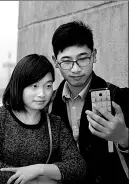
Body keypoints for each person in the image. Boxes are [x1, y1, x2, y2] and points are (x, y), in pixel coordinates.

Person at [0, 54, 86, 184]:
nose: (42, 94)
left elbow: (78, 167)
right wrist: (41, 181)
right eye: (34, 86)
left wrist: (39, 169)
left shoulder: (55, 124)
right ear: (19, 85)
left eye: (48, 86)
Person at [49, 20, 129, 184]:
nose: (76, 69)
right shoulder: (48, 105)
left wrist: (124, 137)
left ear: (94, 55)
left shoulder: (119, 98)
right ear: (55, 62)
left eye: (83, 58)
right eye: (66, 61)